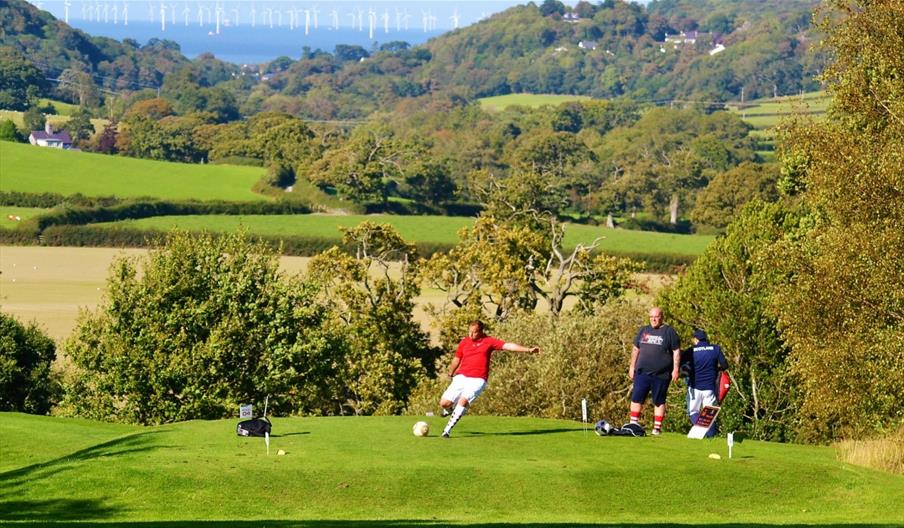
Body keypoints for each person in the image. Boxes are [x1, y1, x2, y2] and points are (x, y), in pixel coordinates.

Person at [439, 320, 540, 438]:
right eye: (470, 332)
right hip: (461, 376)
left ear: (481, 332)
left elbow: (508, 346)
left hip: (478, 379)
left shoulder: (489, 341)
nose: (471, 335)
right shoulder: (464, 342)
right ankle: (450, 409)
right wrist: (451, 372)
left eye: (475, 332)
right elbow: (457, 359)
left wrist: (528, 350)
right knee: (444, 403)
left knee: (463, 401)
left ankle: (447, 430)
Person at [628, 307, 681, 436]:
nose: (653, 319)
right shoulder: (644, 330)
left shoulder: (669, 332)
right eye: (651, 317)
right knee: (636, 398)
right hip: (642, 372)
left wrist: (676, 369)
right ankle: (633, 424)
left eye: (656, 316)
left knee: (659, 400)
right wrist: (631, 366)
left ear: (662, 317)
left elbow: (676, 351)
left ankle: (657, 428)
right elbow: (635, 349)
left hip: (661, 375)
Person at [683, 329, 729, 437]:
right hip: (710, 387)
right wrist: (716, 369)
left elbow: (683, 367)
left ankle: (703, 433)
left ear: (696, 339)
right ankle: (711, 435)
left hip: (694, 386)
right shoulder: (715, 349)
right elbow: (725, 365)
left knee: (693, 411)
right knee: (709, 413)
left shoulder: (691, 350)